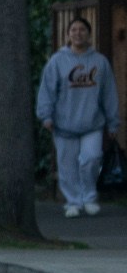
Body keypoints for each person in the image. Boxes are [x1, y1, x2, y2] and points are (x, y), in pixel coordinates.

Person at [35, 19, 119, 219]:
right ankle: (73, 201)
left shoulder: (100, 62)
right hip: (64, 123)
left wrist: (113, 121)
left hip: (92, 123)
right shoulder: (57, 61)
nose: (78, 33)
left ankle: (88, 197)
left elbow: (109, 93)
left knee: (91, 159)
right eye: (73, 30)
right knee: (67, 165)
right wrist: (46, 115)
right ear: (68, 34)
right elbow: (47, 89)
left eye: (82, 30)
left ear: (89, 34)